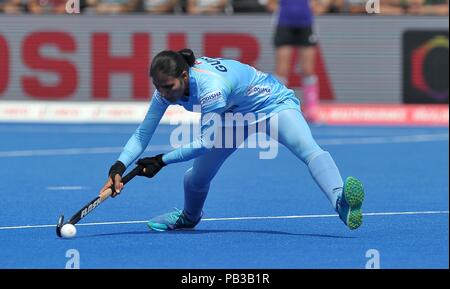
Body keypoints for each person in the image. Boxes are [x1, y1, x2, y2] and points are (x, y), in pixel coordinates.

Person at [100, 49, 365, 232]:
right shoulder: (166, 90)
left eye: (168, 87)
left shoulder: (210, 86)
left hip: (270, 105)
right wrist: (118, 168)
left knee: (308, 149)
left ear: (183, 76)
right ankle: (188, 218)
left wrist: (160, 161)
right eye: (158, 87)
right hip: (231, 118)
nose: (163, 93)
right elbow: (142, 134)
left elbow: (205, 142)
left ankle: (340, 201)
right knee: (196, 178)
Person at [266, 0, 327, 122]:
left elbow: (321, 5)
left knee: (308, 69)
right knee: (281, 71)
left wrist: (321, 5)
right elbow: (270, 4)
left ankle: (312, 110)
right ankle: (276, 108)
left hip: (306, 24)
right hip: (284, 23)